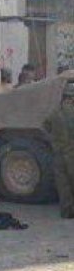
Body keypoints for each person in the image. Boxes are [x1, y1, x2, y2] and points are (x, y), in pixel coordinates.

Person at [45, 83, 74, 219]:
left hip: (59, 153)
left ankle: (67, 212)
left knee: (63, 185)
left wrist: (53, 140)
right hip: (71, 153)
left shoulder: (55, 112)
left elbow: (45, 126)